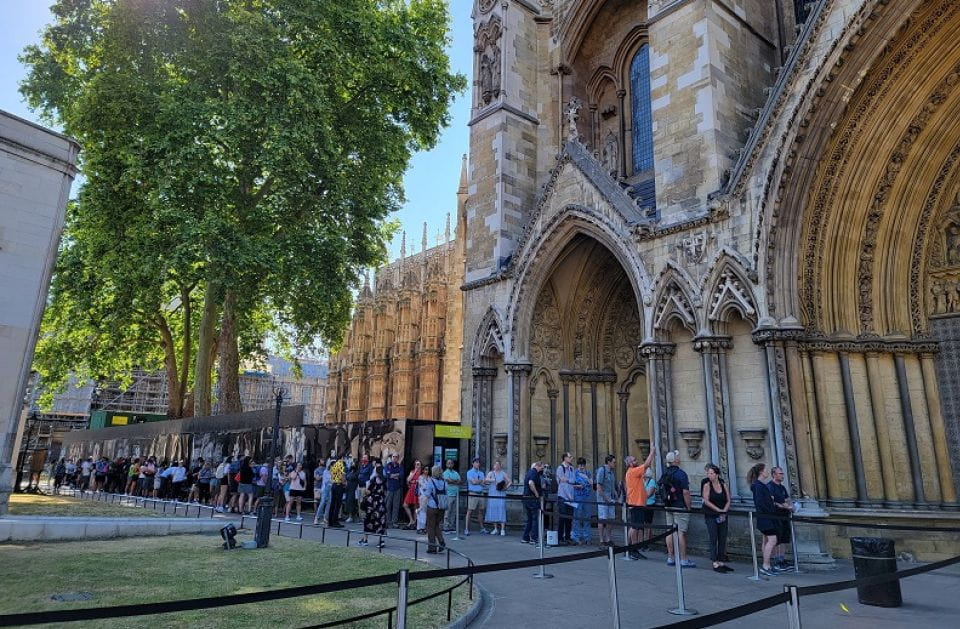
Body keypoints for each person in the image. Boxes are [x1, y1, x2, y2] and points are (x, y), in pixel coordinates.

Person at [661, 450, 694, 568]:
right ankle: (684, 559)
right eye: (678, 457)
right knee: (681, 532)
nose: (679, 458)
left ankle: (671, 557)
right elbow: (685, 492)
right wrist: (688, 506)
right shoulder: (681, 474)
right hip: (680, 506)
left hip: (668, 505)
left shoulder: (665, 473)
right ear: (675, 460)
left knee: (669, 531)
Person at [624, 447, 656, 560]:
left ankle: (630, 547)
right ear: (629, 464)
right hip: (636, 503)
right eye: (634, 460)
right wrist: (652, 451)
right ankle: (633, 548)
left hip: (637, 502)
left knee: (635, 526)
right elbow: (646, 464)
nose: (636, 461)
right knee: (635, 526)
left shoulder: (630, 473)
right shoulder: (633, 472)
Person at [748, 463, 779, 577]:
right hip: (765, 516)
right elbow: (760, 502)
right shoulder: (758, 485)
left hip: (765, 516)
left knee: (766, 540)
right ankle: (766, 565)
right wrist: (770, 504)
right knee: (772, 540)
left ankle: (767, 564)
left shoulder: (760, 485)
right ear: (761, 471)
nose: (767, 472)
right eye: (766, 470)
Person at [701, 463, 732, 573]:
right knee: (713, 537)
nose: (709, 475)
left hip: (722, 514)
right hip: (711, 515)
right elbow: (706, 500)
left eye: (712, 473)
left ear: (717, 474)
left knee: (722, 537)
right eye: (708, 473)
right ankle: (714, 561)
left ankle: (721, 560)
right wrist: (718, 510)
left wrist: (724, 510)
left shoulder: (724, 485)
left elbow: (728, 499)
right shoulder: (707, 485)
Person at [770, 466, 795, 571]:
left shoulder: (782, 487)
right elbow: (772, 502)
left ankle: (782, 559)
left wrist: (791, 506)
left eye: (782, 473)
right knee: (777, 539)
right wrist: (784, 506)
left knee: (784, 538)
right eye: (780, 473)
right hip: (776, 516)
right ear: (774, 474)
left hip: (785, 516)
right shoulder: (770, 487)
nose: (782, 475)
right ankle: (776, 560)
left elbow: (787, 499)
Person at [359, 461, 387, 549]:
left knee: (367, 520)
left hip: (372, 502)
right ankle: (381, 540)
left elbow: (368, 491)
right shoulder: (384, 481)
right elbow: (385, 492)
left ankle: (365, 539)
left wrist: (365, 490)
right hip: (381, 502)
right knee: (380, 521)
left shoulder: (373, 480)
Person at [424, 465, 448, 553]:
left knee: (430, 527)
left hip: (432, 507)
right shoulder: (445, 482)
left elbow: (426, 495)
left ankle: (432, 547)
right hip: (442, 507)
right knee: (436, 525)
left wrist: (421, 507)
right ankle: (441, 542)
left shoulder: (431, 482)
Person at [595, 455, 618, 546]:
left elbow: (612, 486)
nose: (615, 464)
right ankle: (601, 540)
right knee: (602, 519)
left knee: (610, 519)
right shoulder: (602, 470)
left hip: (611, 499)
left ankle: (608, 539)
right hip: (603, 500)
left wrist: (616, 495)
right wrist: (606, 498)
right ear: (608, 462)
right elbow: (599, 486)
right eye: (614, 462)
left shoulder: (612, 473)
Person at [555, 452, 576, 545]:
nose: (571, 458)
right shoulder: (560, 468)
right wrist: (567, 481)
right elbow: (561, 483)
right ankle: (559, 538)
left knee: (569, 518)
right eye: (570, 457)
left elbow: (573, 481)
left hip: (571, 497)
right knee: (562, 518)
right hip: (563, 496)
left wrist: (567, 480)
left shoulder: (572, 469)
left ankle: (567, 537)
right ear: (565, 458)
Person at [484, 460, 510, 536]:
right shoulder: (491, 473)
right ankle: (495, 528)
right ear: (493, 466)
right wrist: (492, 480)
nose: (497, 466)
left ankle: (502, 529)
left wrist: (506, 488)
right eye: (495, 465)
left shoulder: (503, 473)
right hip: (492, 493)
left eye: (498, 465)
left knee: (501, 509)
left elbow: (509, 481)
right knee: (493, 509)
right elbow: (485, 480)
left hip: (501, 493)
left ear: (500, 466)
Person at [521, 461, 544, 544]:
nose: (543, 469)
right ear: (538, 466)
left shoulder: (529, 472)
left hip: (527, 498)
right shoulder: (534, 473)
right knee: (535, 518)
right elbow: (531, 483)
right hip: (532, 499)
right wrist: (537, 494)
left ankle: (525, 537)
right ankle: (533, 538)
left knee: (529, 519)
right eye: (542, 467)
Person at [571, 458, 593, 545]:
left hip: (587, 497)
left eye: (583, 465)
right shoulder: (575, 473)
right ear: (578, 465)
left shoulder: (588, 473)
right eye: (580, 465)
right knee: (577, 517)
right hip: (577, 497)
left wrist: (586, 478)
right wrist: (578, 486)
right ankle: (576, 536)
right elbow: (571, 484)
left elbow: (592, 483)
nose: (581, 466)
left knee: (587, 517)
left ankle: (587, 536)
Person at [464, 458, 487, 536]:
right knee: (470, 511)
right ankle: (466, 529)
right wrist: (480, 481)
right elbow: (473, 482)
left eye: (478, 463)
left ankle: (482, 528)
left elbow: (484, 483)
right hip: (473, 493)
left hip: (481, 493)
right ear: (473, 463)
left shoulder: (481, 473)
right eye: (476, 462)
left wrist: (479, 481)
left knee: (481, 511)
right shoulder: (469, 472)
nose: (478, 464)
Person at [441, 459, 461, 533]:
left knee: (454, 511)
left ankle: (452, 526)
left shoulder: (456, 473)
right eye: (448, 463)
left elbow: (459, 481)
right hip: (448, 494)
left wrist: (453, 481)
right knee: (447, 511)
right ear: (446, 464)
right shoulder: (445, 473)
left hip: (456, 494)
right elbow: (448, 481)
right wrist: (454, 481)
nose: (450, 464)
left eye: (451, 463)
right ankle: (446, 527)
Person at [385, 454, 403, 527]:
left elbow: (401, 475)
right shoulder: (388, 466)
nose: (395, 458)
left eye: (396, 457)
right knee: (388, 505)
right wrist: (396, 475)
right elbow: (387, 475)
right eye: (393, 457)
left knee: (396, 505)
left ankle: (394, 522)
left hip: (397, 488)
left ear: (398, 458)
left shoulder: (400, 466)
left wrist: (392, 475)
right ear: (391, 458)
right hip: (389, 488)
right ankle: (388, 521)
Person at [327, 454, 346, 527]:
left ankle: (330, 521)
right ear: (342, 458)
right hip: (338, 485)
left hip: (334, 485)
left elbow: (331, 475)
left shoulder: (334, 465)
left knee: (332, 504)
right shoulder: (340, 464)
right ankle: (335, 521)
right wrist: (344, 482)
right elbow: (342, 475)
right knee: (337, 504)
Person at [403, 460, 423, 529]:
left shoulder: (422, 473)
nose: (417, 466)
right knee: (405, 505)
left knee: (416, 507)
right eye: (416, 464)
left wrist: (415, 481)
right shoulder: (412, 471)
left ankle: (415, 522)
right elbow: (408, 480)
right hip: (411, 490)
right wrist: (415, 471)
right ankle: (411, 520)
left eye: (418, 464)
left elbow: (422, 481)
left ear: (421, 465)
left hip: (418, 490)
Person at [344, 454, 359, 523]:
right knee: (347, 502)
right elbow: (346, 477)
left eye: (353, 463)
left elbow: (355, 478)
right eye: (352, 463)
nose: (352, 464)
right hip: (348, 488)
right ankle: (348, 516)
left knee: (351, 502)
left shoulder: (357, 472)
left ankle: (351, 516)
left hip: (353, 489)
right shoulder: (350, 471)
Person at [312, 458, 327, 525]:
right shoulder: (316, 470)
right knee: (316, 500)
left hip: (324, 487)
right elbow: (317, 478)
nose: (323, 461)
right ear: (319, 462)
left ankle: (322, 514)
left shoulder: (326, 469)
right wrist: (323, 476)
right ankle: (316, 514)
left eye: (323, 460)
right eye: (322, 460)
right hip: (317, 487)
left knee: (323, 501)